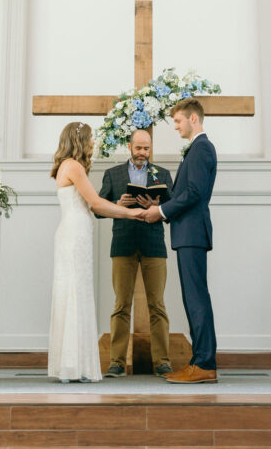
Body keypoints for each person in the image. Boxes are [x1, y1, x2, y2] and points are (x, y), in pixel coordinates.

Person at [49, 122, 143, 382]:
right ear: (79, 140)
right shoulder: (74, 166)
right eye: (90, 138)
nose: (93, 143)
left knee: (72, 292)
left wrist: (120, 208)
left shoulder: (65, 166)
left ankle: (70, 364)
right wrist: (130, 212)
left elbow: (93, 204)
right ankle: (74, 365)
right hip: (75, 233)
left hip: (72, 231)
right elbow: (96, 204)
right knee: (76, 292)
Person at [142, 99, 219, 384]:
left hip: (192, 233)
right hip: (188, 233)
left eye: (178, 121)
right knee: (193, 298)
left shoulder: (201, 148)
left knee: (196, 299)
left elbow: (195, 193)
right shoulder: (197, 149)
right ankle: (200, 361)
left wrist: (161, 211)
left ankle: (205, 364)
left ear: (194, 119)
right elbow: (185, 193)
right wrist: (159, 202)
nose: (175, 126)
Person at [96, 128, 174, 377]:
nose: (143, 153)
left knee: (158, 306)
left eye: (147, 148)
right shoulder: (113, 174)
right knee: (121, 305)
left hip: (153, 245)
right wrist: (116, 206)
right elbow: (98, 209)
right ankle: (117, 362)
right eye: (139, 148)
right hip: (123, 244)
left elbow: (173, 210)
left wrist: (157, 206)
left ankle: (162, 361)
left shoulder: (162, 174)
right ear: (129, 147)